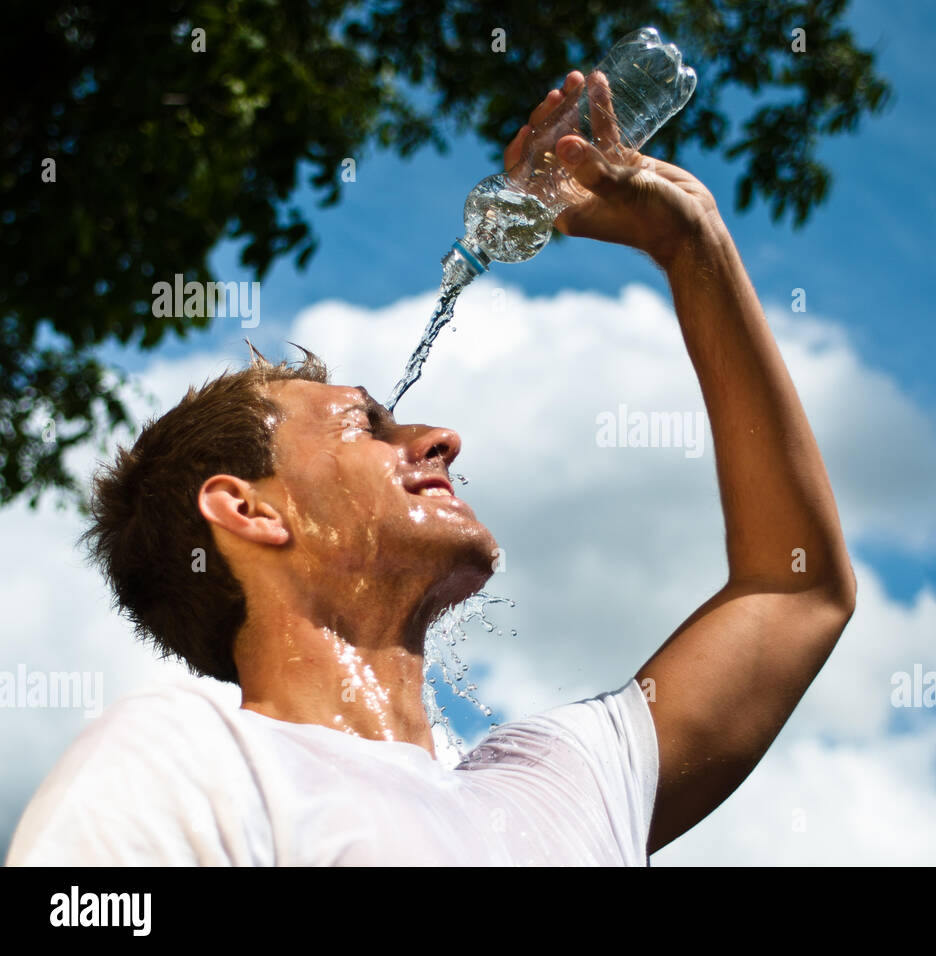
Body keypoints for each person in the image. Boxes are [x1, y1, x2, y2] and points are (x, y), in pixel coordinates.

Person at [6, 71, 856, 866]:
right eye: (364, 426)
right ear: (249, 510)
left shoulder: (564, 777)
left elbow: (794, 590)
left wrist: (693, 247)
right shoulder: (189, 763)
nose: (441, 437)